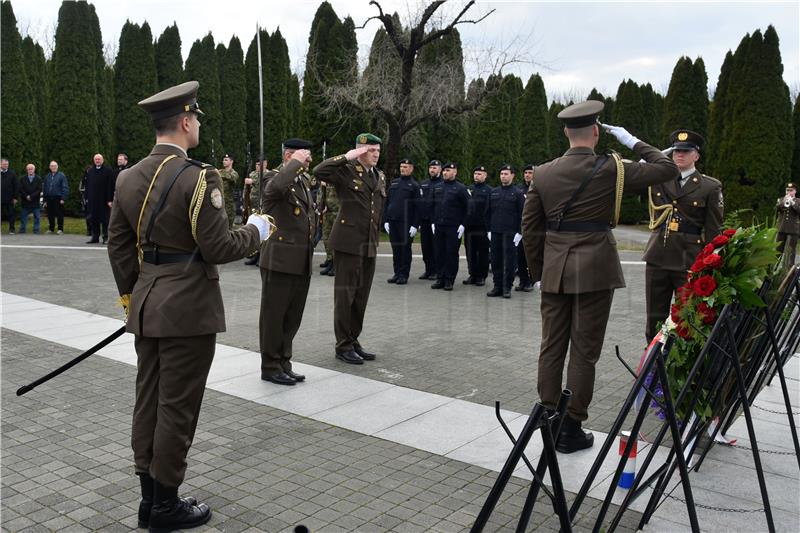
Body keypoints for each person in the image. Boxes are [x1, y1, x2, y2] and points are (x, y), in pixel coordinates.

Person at [107, 81, 269, 532]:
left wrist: (132, 296)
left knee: (149, 402)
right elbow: (216, 247)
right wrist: (258, 230)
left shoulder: (128, 176)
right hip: (187, 312)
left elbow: (118, 247)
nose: (197, 123)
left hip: (148, 307)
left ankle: (148, 499)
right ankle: (165, 505)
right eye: (195, 117)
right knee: (177, 408)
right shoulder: (200, 177)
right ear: (184, 121)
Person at [522, 100, 679, 453]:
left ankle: (547, 416)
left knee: (551, 345)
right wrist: (631, 141)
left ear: (566, 132)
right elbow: (666, 167)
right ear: (595, 132)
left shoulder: (543, 173)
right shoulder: (613, 169)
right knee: (584, 350)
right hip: (595, 267)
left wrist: (538, 272)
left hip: (555, 270)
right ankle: (571, 425)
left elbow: (530, 228)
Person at [642, 129, 723, 342]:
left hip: (689, 259)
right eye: (676, 150)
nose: (680, 155)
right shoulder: (659, 179)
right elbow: (637, 170)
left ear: (696, 155)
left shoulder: (710, 186)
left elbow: (714, 229)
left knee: (687, 317)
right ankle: (651, 366)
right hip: (658, 256)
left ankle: (680, 365)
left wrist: (710, 264)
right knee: (654, 317)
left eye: (686, 151)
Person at [312, 133, 385, 365]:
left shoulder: (379, 175)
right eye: (371, 150)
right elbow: (319, 171)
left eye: (378, 151)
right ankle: (342, 345)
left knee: (361, 297)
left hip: (369, 244)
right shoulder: (346, 171)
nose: (376, 154)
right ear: (360, 151)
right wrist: (346, 156)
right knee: (345, 297)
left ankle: (353, 340)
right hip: (348, 243)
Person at [257, 138, 316, 385]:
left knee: (292, 316)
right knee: (274, 316)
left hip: (300, 259)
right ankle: (270, 366)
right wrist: (294, 164)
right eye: (305, 155)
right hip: (279, 260)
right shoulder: (272, 177)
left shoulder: (302, 181)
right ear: (289, 155)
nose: (309, 160)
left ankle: (284, 362)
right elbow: (272, 192)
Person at [487, 164, 525, 298]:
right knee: (496, 260)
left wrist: (520, 233)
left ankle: (507, 287)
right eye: (502, 174)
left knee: (509, 262)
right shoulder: (494, 192)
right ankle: (497, 286)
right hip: (496, 231)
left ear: (513, 175)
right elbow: (488, 213)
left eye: (506, 174)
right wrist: (489, 230)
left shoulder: (518, 193)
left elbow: (523, 215)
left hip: (511, 233)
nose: (503, 176)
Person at [430, 162, 470, 290]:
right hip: (439, 225)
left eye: (448, 170)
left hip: (453, 227)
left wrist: (463, 224)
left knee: (451, 254)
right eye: (444, 170)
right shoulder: (438, 187)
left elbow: (469, 207)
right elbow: (432, 205)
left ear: (455, 172)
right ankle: (440, 278)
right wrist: (432, 222)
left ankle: (449, 280)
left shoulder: (461, 188)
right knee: (439, 253)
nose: (445, 173)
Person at [384, 158, 419, 285]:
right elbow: (387, 203)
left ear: (411, 169)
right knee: (396, 249)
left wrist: (415, 224)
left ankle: (404, 274)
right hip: (393, 221)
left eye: (406, 166)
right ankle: (397, 273)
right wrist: (386, 219)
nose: (403, 169)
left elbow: (417, 208)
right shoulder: (394, 183)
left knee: (405, 249)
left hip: (406, 223)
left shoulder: (414, 186)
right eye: (401, 166)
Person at [463, 165, 491, 286]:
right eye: (475, 174)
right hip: (469, 226)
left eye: (479, 174)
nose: (477, 176)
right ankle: (472, 274)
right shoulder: (469, 189)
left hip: (482, 226)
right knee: (470, 252)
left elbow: (490, 209)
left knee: (483, 252)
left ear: (485, 176)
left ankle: (481, 276)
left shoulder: (489, 190)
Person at [417, 160, 442, 279]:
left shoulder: (442, 183)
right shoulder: (423, 184)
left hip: (436, 221)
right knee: (425, 246)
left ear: (440, 169)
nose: (432, 170)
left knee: (436, 246)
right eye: (431, 167)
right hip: (424, 220)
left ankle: (436, 271)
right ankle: (428, 269)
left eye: (435, 168)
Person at [84, 154, 114, 244]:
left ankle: (105, 237)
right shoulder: (91, 171)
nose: (97, 161)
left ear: (102, 160)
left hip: (104, 200)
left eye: (99, 159)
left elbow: (110, 186)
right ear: (94, 160)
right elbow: (87, 185)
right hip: (93, 200)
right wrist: (87, 197)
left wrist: (110, 200)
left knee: (105, 220)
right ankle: (95, 237)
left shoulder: (108, 171)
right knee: (94, 219)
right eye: (96, 159)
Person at [515, 164, 536, 292]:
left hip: (533, 228)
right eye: (526, 172)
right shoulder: (519, 189)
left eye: (530, 172)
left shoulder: (539, 188)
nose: (527, 175)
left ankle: (530, 281)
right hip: (519, 227)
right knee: (520, 256)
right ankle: (522, 281)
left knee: (531, 257)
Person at [243, 159, 265, 266]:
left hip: (263, 206)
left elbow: (264, 182)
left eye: (260, 164)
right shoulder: (252, 174)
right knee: (254, 231)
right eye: (256, 164)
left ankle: (262, 256)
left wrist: (253, 181)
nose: (257, 166)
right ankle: (255, 254)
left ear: (265, 164)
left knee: (262, 232)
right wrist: (245, 202)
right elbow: (246, 189)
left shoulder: (267, 174)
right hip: (252, 206)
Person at [318, 179, 339, 276]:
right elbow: (322, 195)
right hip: (328, 212)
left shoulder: (340, 177)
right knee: (326, 238)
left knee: (335, 239)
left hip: (337, 212)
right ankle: (330, 260)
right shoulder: (326, 180)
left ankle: (335, 264)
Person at [42, 161, 69, 234]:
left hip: (58, 198)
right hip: (49, 198)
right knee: (50, 214)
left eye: (54, 166)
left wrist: (63, 198)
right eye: (52, 166)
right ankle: (51, 229)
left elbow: (65, 187)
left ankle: (60, 229)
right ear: (50, 167)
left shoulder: (61, 175)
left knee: (59, 214)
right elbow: (44, 188)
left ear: (57, 167)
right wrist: (44, 200)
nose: (53, 167)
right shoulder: (47, 176)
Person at [776, 182, 799, 267]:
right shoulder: (781, 199)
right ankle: (771, 270)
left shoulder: (798, 201)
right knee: (777, 250)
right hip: (782, 228)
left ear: (795, 191)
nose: (789, 192)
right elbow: (777, 208)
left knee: (791, 252)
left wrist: (792, 203)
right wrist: (784, 201)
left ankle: (789, 272)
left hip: (793, 230)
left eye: (791, 190)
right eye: (787, 190)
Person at [18, 164, 42, 234]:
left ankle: (36, 231)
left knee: (37, 218)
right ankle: (22, 231)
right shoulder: (22, 178)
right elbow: (21, 189)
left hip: (35, 202)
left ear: (34, 170)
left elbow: (39, 189)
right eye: (29, 169)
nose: (30, 170)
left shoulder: (38, 179)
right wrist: (26, 196)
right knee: (23, 218)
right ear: (27, 170)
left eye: (32, 169)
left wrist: (31, 196)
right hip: (25, 201)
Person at [218, 153, 239, 228]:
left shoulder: (234, 173)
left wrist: (218, 174)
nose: (223, 161)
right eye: (223, 160)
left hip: (229, 205)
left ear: (231, 161)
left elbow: (232, 178)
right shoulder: (219, 171)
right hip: (220, 203)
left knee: (228, 227)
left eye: (226, 160)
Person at [1, 158, 19, 234]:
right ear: (0, 164)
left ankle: (12, 229)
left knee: (11, 214)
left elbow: (16, 186)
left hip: (10, 198)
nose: (6, 166)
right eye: (4, 164)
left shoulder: (12, 173)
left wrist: (15, 197)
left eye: (7, 164)